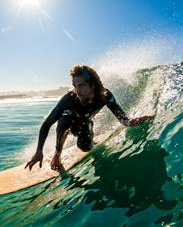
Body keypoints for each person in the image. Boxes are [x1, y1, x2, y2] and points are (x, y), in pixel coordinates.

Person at [25, 64, 154, 172]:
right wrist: (39, 150)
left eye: (81, 85)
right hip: (68, 122)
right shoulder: (69, 100)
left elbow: (122, 118)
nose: (76, 90)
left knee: (85, 147)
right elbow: (47, 124)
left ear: (92, 85)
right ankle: (57, 154)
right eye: (74, 86)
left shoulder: (105, 96)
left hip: (84, 123)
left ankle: (89, 131)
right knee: (65, 121)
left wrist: (132, 122)